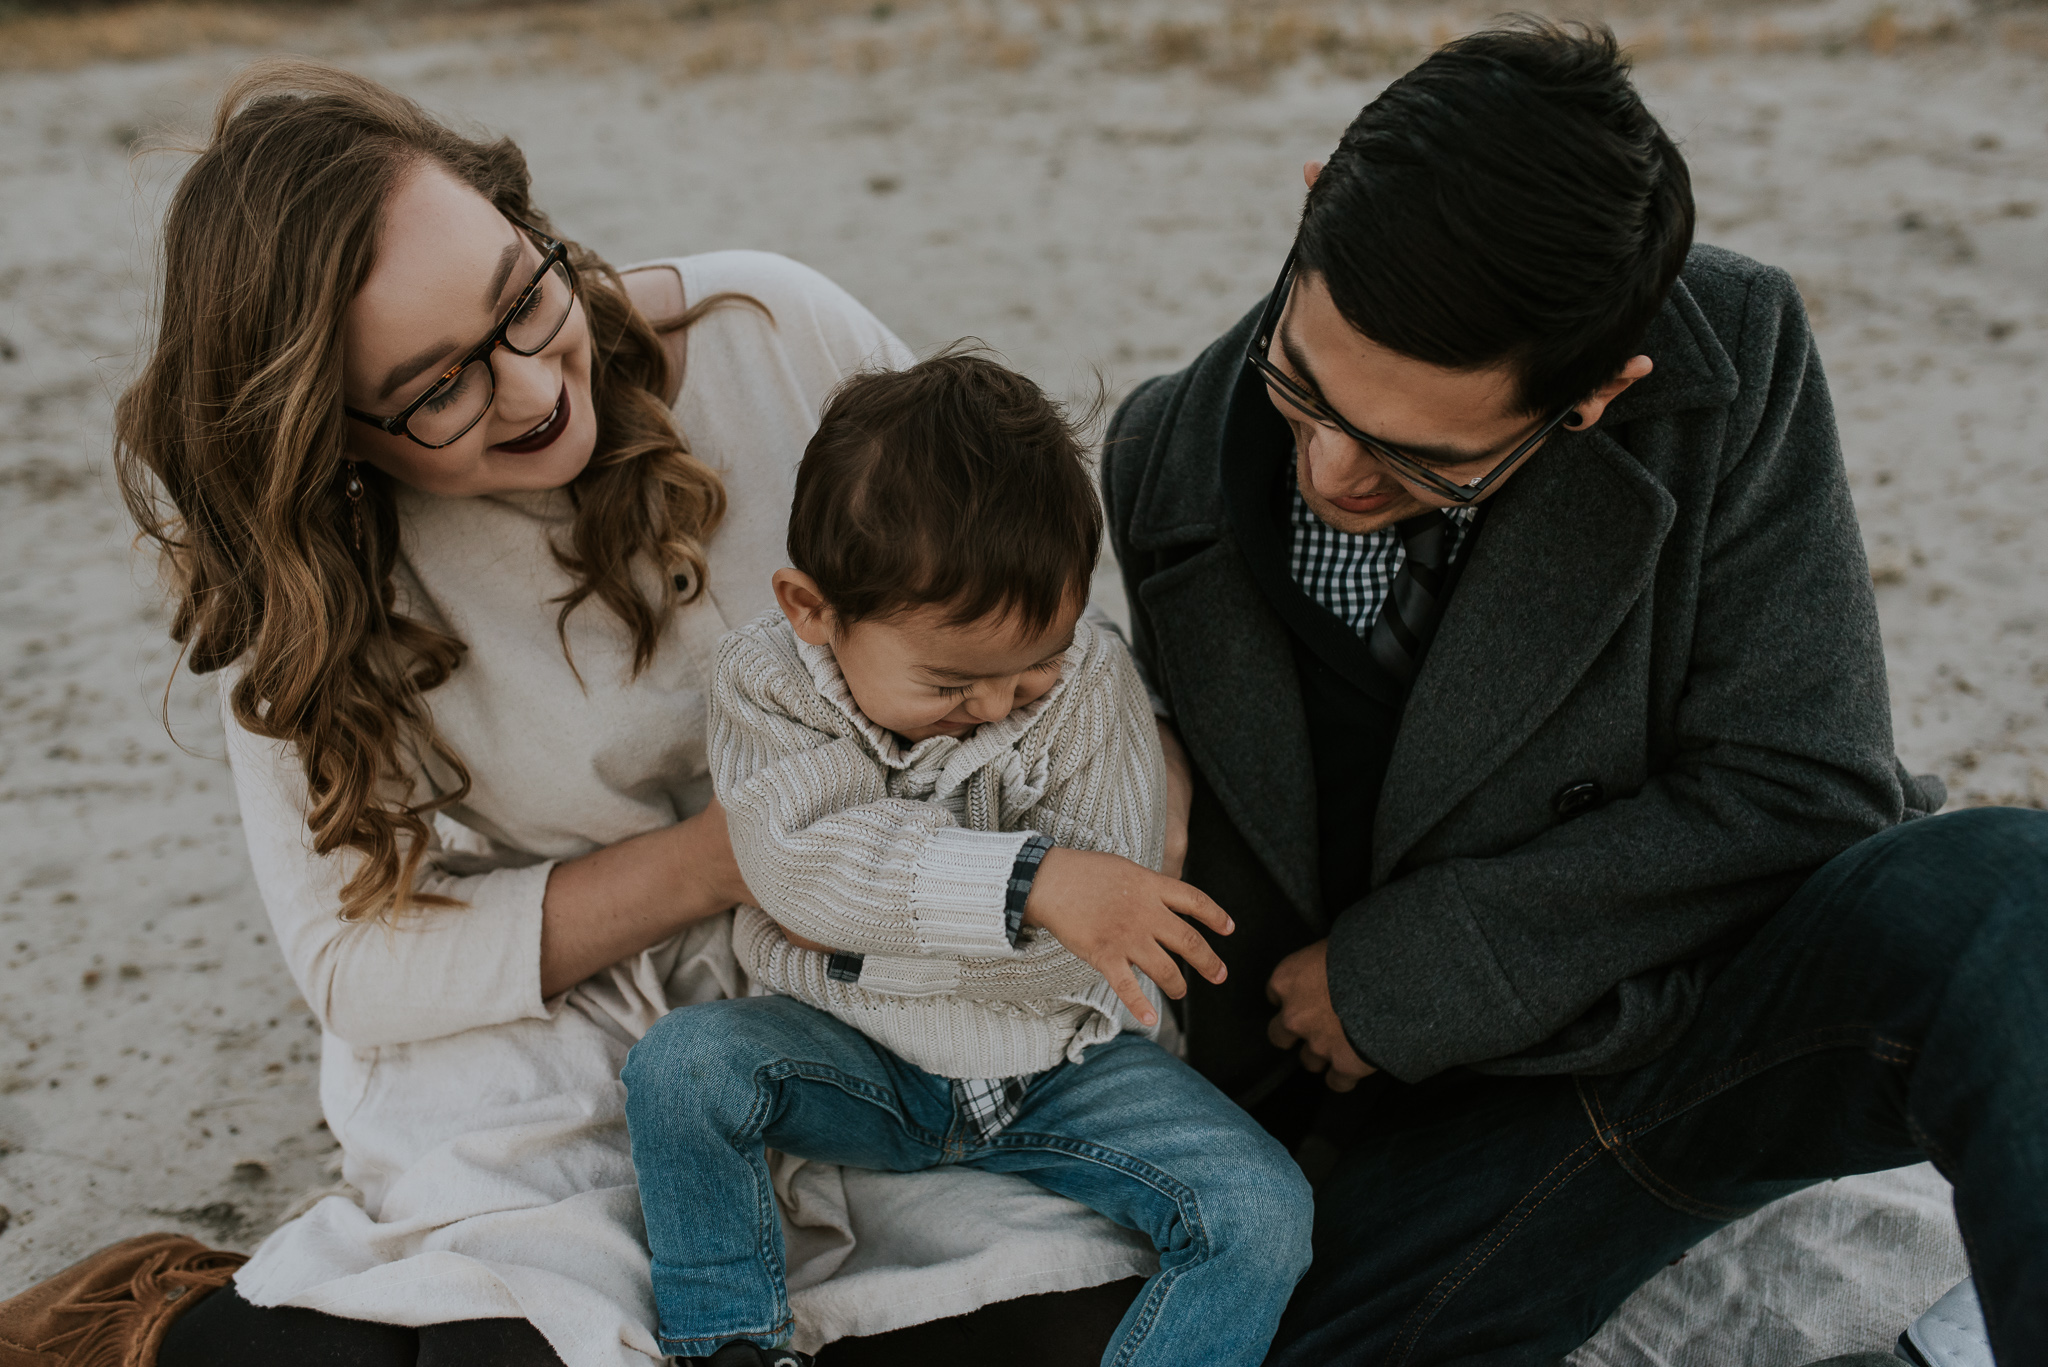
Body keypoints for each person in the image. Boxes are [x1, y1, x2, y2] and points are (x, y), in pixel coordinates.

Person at [0, 59, 1165, 1367]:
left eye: (523, 296)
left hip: (863, 960)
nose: (533, 386)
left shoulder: (771, 338)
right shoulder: (313, 578)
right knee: (526, 1336)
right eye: (436, 387)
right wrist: (720, 858)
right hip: (553, 1013)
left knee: (1057, 1318)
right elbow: (353, 962)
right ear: (331, 432)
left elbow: (1024, 622)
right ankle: (167, 1317)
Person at [1100, 18, 2048, 1365]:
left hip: (1711, 1025)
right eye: (1304, 388)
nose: (1326, 469)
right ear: (1313, 203)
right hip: (1427, 1148)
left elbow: (1805, 784)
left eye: (1416, 461)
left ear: (1600, 391)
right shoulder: (1157, 455)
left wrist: (1426, 965)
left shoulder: (1738, 353)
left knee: (2011, 895)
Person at [621, 353, 1313, 1367]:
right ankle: (730, 1340)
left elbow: (1096, 928)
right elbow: (792, 862)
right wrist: (1027, 882)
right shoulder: (767, 684)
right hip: (852, 1048)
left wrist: (875, 917)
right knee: (679, 1068)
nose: (996, 702)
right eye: (950, 684)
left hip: (1058, 1065)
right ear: (813, 609)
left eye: (1033, 667)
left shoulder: (1088, 687)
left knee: (1263, 1208)